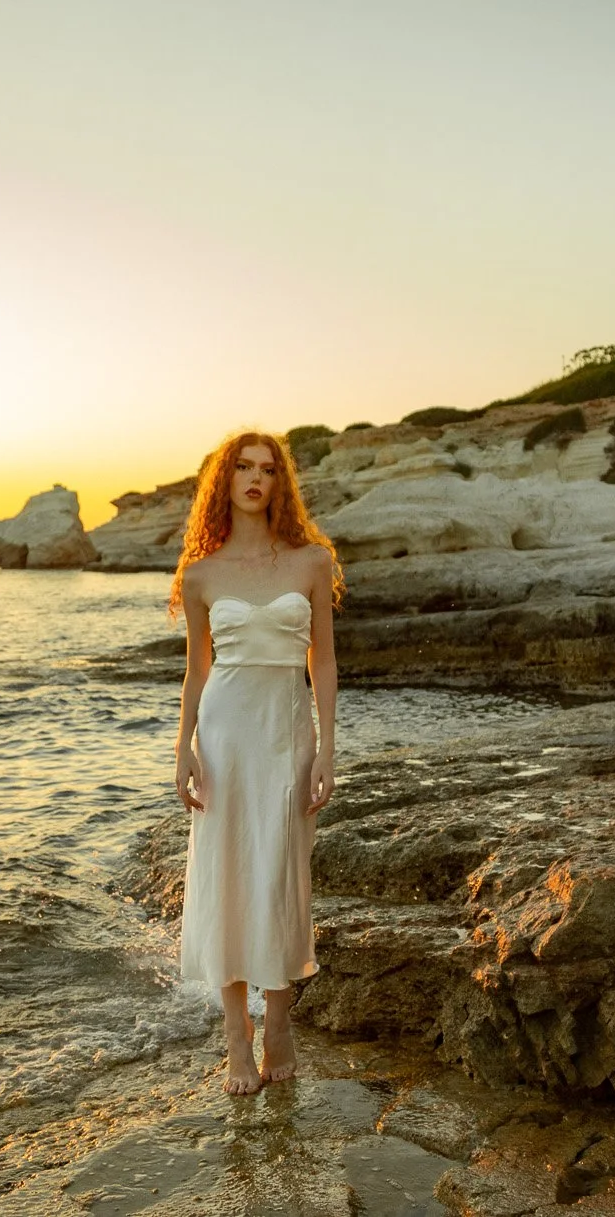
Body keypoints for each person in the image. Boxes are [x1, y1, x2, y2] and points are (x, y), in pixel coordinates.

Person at [169, 429, 342, 1095]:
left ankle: (279, 1021)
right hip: (226, 731)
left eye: (267, 469)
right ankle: (235, 1034)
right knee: (229, 873)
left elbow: (321, 660)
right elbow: (196, 670)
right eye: (242, 466)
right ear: (225, 479)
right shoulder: (203, 573)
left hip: (286, 729)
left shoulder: (311, 561)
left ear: (280, 483)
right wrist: (183, 746)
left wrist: (328, 746)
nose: (254, 477)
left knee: (278, 869)